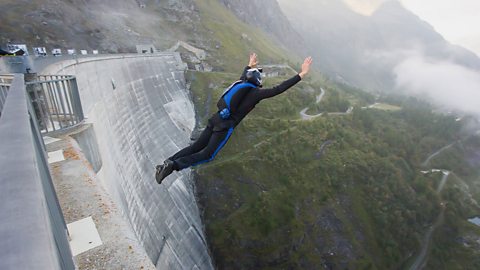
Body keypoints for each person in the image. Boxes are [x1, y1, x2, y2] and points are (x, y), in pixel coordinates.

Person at [155, 53, 313, 184]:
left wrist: (249, 65)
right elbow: (279, 89)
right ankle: (174, 165)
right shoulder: (256, 93)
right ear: (258, 81)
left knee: (195, 147)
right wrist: (301, 75)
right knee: (207, 155)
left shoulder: (241, 84)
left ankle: (167, 163)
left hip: (215, 119)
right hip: (224, 127)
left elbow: (244, 74)